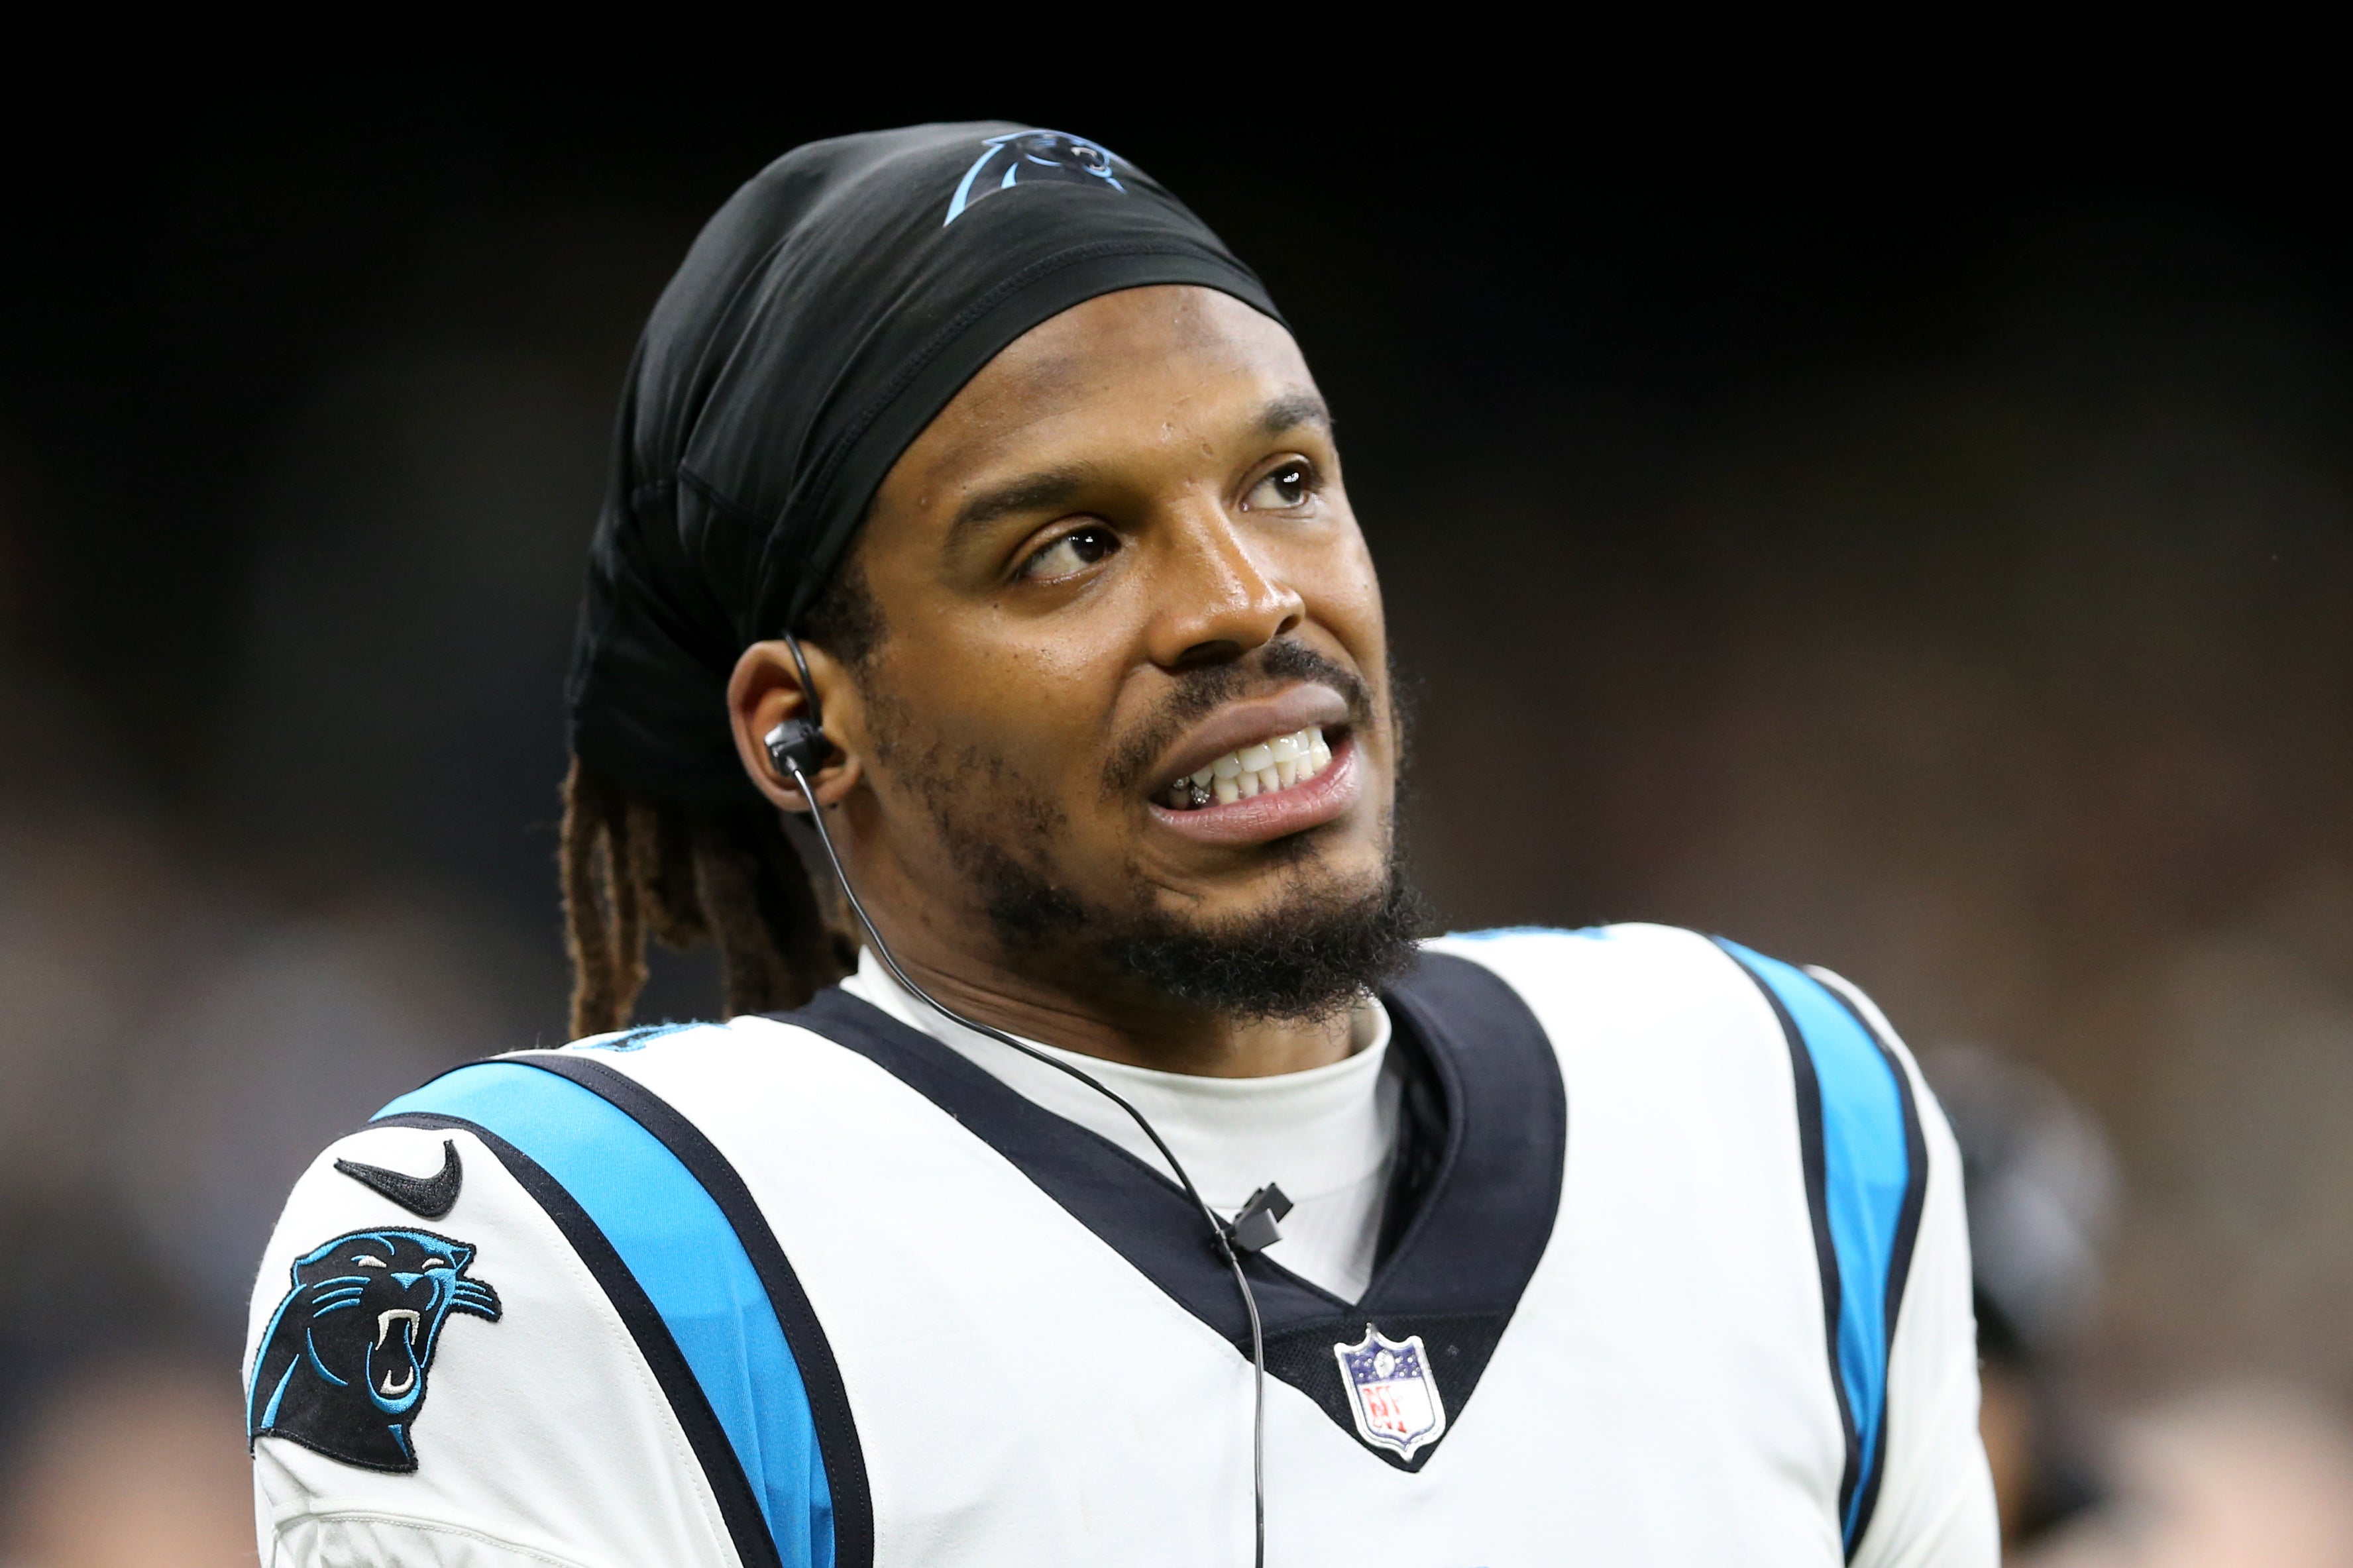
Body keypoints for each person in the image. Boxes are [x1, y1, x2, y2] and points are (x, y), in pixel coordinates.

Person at [243, 123, 1997, 1567]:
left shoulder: (1775, 1098)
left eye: (1287, 483)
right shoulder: (574, 1248)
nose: (1248, 602)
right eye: (1072, 546)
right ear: (809, 724)